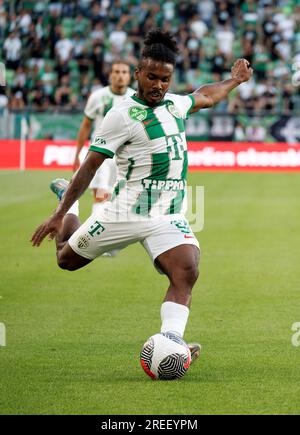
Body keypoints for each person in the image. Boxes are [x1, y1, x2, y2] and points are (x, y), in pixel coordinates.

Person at [31, 29, 252, 369]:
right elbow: (90, 166)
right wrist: (61, 211)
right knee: (65, 259)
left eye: (165, 79)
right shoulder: (121, 115)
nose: (158, 85)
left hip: (166, 214)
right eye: (151, 77)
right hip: (124, 212)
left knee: (187, 269)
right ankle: (69, 204)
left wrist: (234, 80)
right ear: (138, 74)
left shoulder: (176, 104)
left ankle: (172, 343)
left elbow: (206, 95)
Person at [73, 61, 134, 213]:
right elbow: (86, 125)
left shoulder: (135, 98)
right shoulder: (97, 97)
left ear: (130, 76)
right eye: (117, 72)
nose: (120, 76)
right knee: (100, 196)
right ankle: (95, 232)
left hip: (125, 155)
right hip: (101, 153)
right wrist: (77, 154)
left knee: (117, 199)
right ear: (110, 75)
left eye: (124, 72)